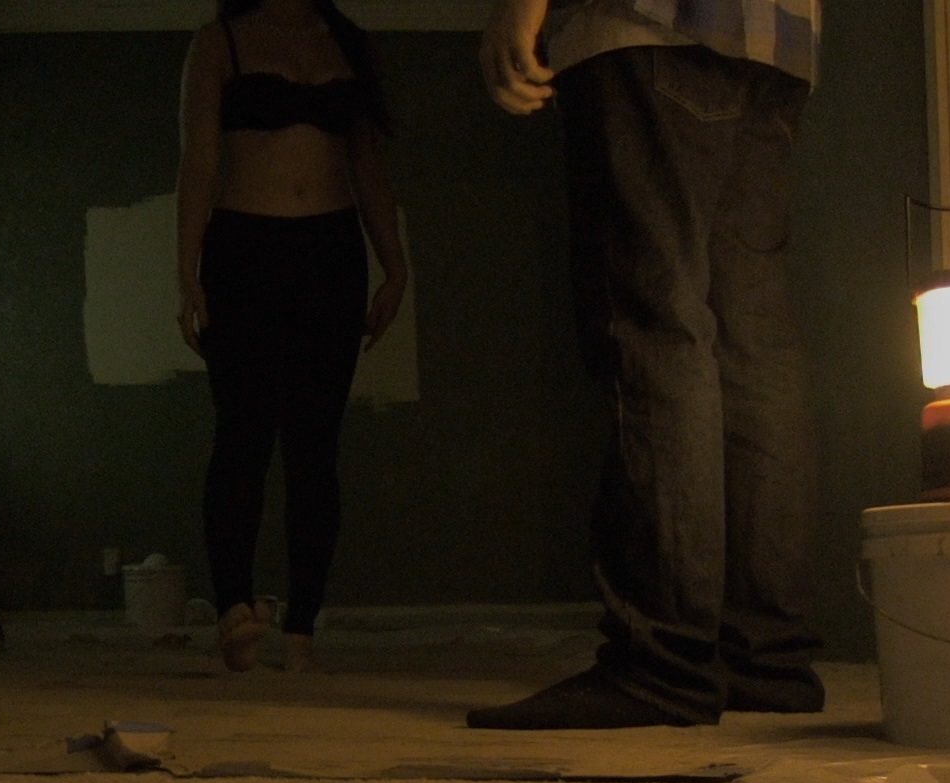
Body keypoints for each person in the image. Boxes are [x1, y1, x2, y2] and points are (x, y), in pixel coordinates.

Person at [467, 0, 826, 729]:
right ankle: (765, 657)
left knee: (658, 326)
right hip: (779, 39)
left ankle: (663, 664)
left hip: (651, 22)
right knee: (751, 344)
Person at [176, 0, 407, 673]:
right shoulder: (219, 41)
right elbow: (199, 158)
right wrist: (186, 271)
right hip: (243, 249)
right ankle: (233, 609)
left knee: (315, 445)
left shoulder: (346, 42)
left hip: (331, 252)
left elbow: (368, 164)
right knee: (242, 433)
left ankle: (302, 626)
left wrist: (395, 267)